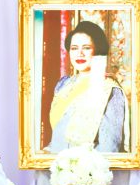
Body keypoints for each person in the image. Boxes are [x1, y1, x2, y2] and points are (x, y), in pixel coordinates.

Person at [46, 20, 126, 153]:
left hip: (88, 164)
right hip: (56, 162)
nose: (80, 53)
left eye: (86, 48)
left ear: (97, 50)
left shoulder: (108, 89)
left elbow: (109, 148)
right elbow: (58, 135)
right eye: (74, 48)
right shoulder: (63, 85)